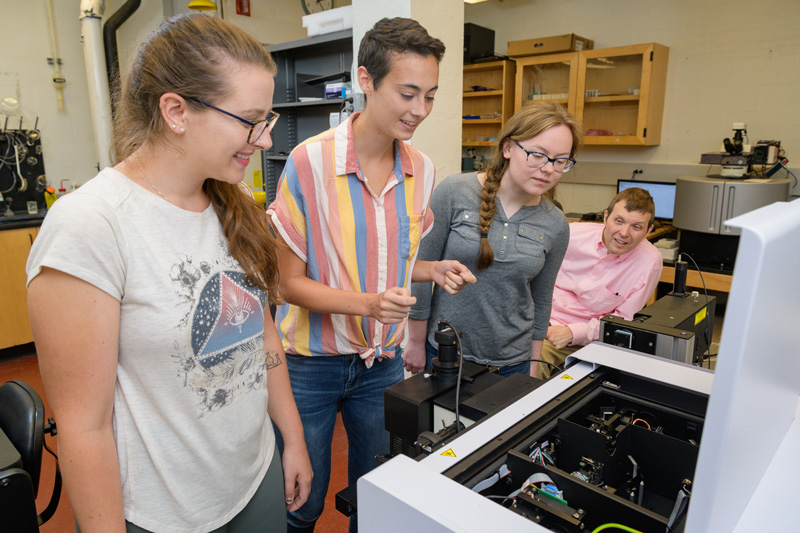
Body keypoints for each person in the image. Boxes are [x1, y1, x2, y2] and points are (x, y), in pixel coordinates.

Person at [26, 14, 311, 533]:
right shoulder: (92, 225)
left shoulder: (233, 204)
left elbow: (261, 336)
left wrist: (291, 438)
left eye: (266, 119)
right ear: (176, 110)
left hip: (253, 478)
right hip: (164, 512)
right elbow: (83, 428)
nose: (265, 140)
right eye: (250, 121)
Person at [267, 17, 475, 532]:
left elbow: (388, 257)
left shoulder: (422, 170)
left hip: (379, 365)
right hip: (308, 366)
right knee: (301, 502)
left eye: (430, 95)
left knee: (376, 494)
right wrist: (368, 305)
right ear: (366, 80)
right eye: (407, 93)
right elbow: (284, 283)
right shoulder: (307, 163)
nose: (420, 110)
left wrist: (429, 269)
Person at [406, 103, 581, 377]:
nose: (549, 169)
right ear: (508, 148)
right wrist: (415, 342)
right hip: (445, 353)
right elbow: (420, 270)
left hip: (514, 364)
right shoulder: (454, 192)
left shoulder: (556, 224)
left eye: (561, 161)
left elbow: (542, 300)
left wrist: (533, 369)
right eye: (538, 155)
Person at [539, 187, 664, 379]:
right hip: (537, 318)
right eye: (619, 221)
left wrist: (572, 333)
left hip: (579, 338)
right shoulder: (570, 234)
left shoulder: (649, 262)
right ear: (606, 217)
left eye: (636, 227)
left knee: (532, 364)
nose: (624, 233)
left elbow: (621, 322)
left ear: (649, 231)